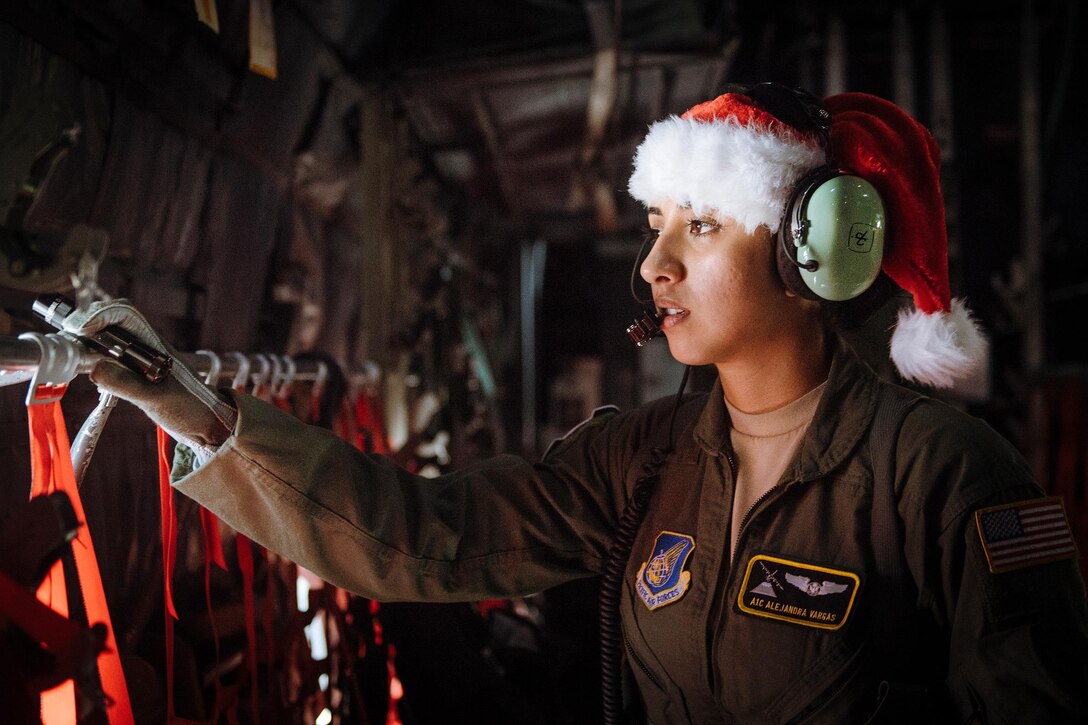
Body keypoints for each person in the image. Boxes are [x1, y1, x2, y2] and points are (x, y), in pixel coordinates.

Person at [65, 82, 1088, 723]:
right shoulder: (640, 460)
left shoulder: (946, 477)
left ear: (811, 250)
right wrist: (200, 412)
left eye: (696, 227)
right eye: (656, 224)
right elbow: (425, 534)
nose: (652, 263)